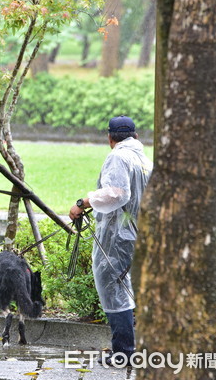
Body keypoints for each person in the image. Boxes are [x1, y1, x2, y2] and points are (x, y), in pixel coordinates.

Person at [69, 115, 152, 366]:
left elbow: (117, 194)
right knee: (129, 288)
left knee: (114, 289)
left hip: (118, 235)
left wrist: (83, 203)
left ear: (110, 138)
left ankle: (124, 352)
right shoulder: (144, 160)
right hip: (138, 232)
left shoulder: (118, 156)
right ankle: (131, 348)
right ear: (135, 136)